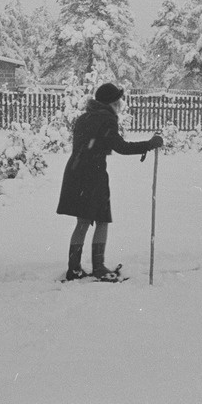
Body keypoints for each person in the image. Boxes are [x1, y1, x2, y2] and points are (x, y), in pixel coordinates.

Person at [57, 82, 164, 281]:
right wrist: (148, 144)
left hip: (75, 172)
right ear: (112, 103)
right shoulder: (106, 119)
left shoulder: (84, 118)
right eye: (118, 101)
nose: (120, 105)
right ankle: (98, 267)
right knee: (102, 220)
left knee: (82, 222)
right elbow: (120, 146)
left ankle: (74, 269)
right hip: (93, 174)